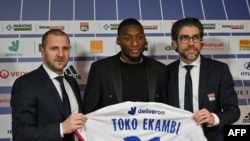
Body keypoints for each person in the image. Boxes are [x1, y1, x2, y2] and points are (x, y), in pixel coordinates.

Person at [166, 17, 240, 141]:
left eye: (195, 38)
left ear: (201, 42)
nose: (191, 43)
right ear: (175, 43)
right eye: (184, 38)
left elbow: (233, 110)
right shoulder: (165, 72)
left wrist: (214, 118)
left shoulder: (219, 70)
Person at [11, 29, 87, 141]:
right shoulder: (25, 84)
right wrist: (61, 128)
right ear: (42, 51)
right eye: (54, 48)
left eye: (65, 48)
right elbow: (21, 134)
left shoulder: (71, 82)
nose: (61, 54)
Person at [82, 18, 167, 114]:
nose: (135, 43)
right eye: (127, 38)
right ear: (118, 41)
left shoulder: (160, 69)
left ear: (145, 39)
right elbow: (88, 112)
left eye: (139, 37)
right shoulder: (100, 69)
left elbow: (168, 110)